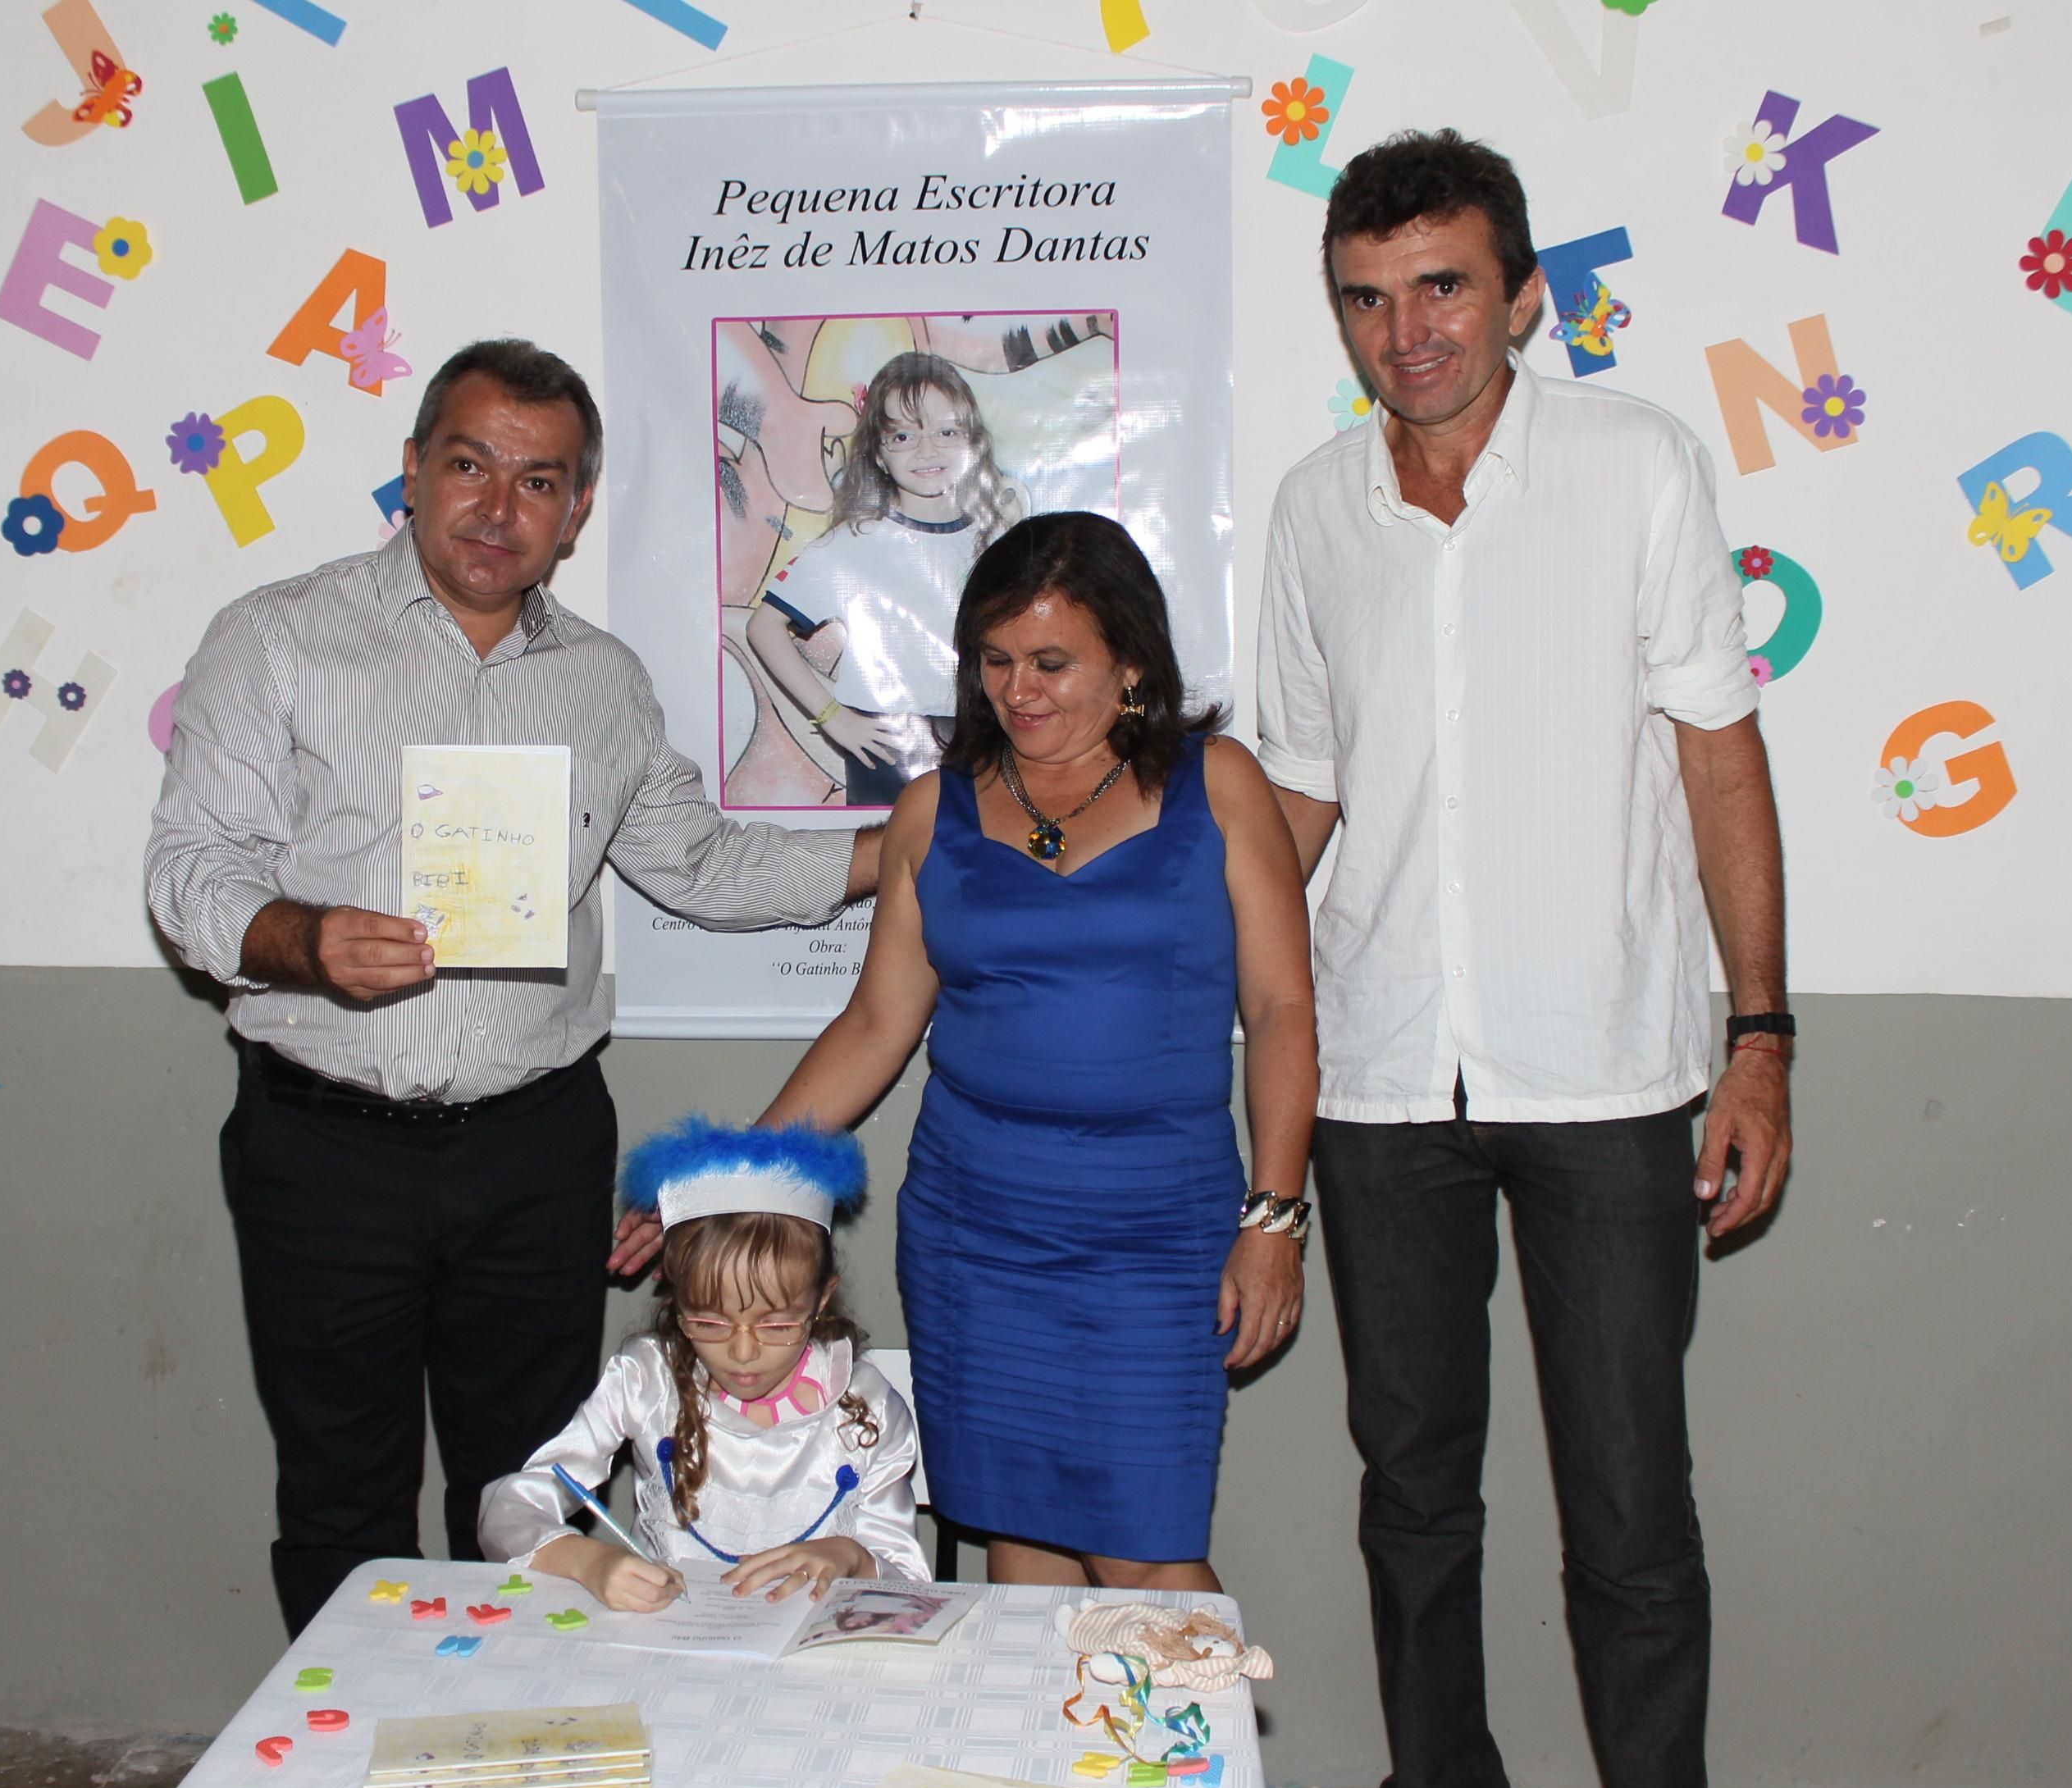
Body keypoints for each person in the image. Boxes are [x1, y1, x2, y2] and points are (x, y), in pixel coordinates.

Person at [145, 338, 880, 1637]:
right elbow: (190, 870)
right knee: (341, 1493)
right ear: (414, 469)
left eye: (538, 482)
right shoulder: (277, 639)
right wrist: (303, 938)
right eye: (469, 466)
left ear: (576, 509)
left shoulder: (602, 681)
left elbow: (702, 864)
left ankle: (530, 1740)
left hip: (535, 1152)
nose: (497, 508)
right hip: (325, 1148)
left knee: (537, 1495)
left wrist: (906, 850)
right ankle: (353, 1748)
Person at [1253, 133, 1791, 1788]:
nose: (1405, 331)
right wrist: (1169, 969)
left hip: (1607, 1069)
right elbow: (1303, 795)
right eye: (1366, 298)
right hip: (1380, 1073)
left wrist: (1760, 1040)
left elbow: (1718, 759)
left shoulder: (1637, 465)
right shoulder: (1316, 510)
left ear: (1524, 297)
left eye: (1443, 287)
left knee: (1631, 1499)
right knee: (1412, 1483)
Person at [755, 509, 1318, 1591]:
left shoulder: (1220, 784)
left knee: (1145, 1556)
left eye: (1052, 663)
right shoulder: (934, 810)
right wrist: (729, 1173)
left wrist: (1275, 1218)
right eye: (996, 660)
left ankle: (1205, 1717)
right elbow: (876, 1025)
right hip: (976, 1235)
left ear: (1132, 664)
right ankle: (1047, 1722)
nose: (1019, 691)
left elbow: (1284, 1010)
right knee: (1024, 1547)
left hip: (1159, 1236)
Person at [477, 1119, 925, 1606]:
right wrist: (588, 1561)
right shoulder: (646, 1382)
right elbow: (507, 1509)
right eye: (710, 1323)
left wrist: (853, 1557)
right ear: (677, 1299)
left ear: (821, 1300)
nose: (743, 1353)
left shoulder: (868, 1406)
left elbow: (912, 1585)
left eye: (776, 1325)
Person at [743, 352, 1025, 806]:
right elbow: (763, 626)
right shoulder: (852, 543)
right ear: (878, 451)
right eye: (903, 435)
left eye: (946, 432)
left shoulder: (1002, 539)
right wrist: (833, 718)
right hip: (889, 747)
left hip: (988, 734)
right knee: (892, 856)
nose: (927, 450)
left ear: (973, 440)